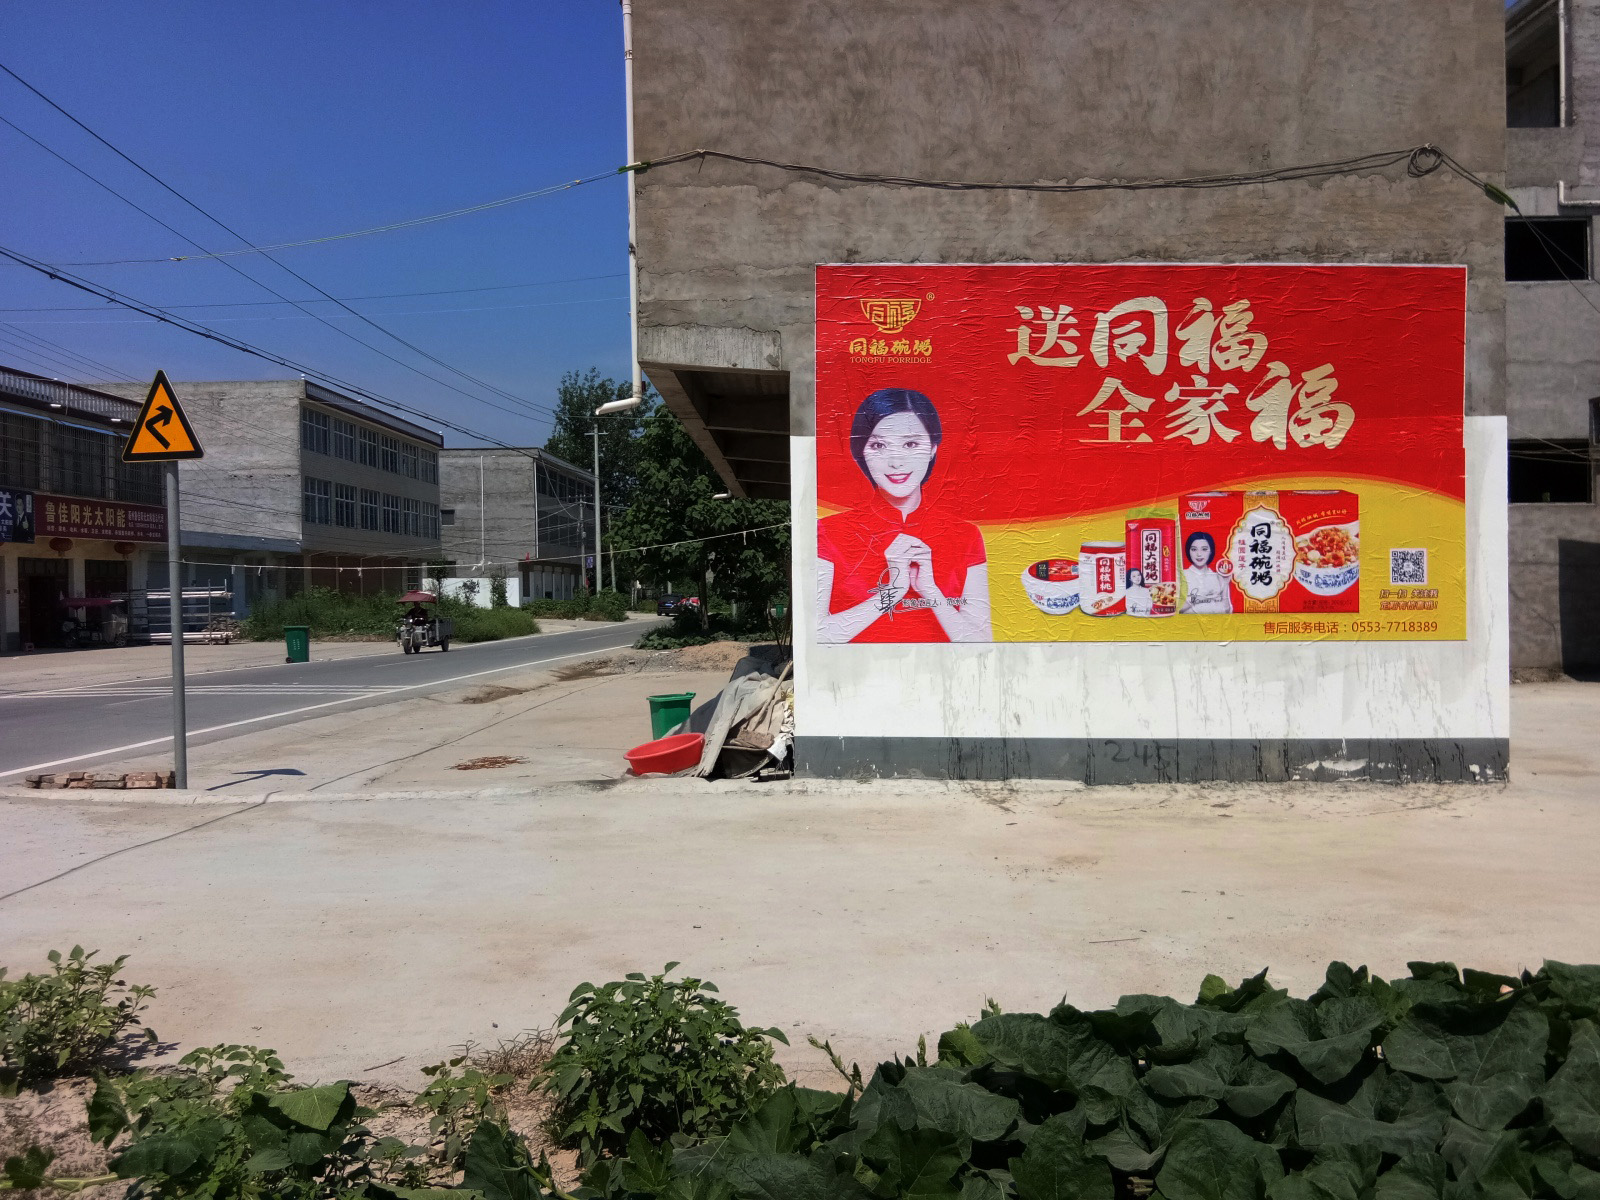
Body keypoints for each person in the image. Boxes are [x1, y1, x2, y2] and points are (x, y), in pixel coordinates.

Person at [817, 388, 991, 643]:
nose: (896, 462)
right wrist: (892, 592)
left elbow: (982, 642)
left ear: (932, 448)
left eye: (910, 444)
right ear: (862, 451)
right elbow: (816, 636)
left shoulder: (966, 535)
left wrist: (930, 591)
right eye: (879, 445)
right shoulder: (828, 532)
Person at [1179, 530, 1233, 614]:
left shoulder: (1217, 577)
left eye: (1204, 549)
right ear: (1188, 551)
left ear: (1211, 551)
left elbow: (1226, 611)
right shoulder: (1181, 575)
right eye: (1194, 549)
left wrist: (1225, 584)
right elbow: (1176, 608)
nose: (1199, 554)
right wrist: (1203, 596)